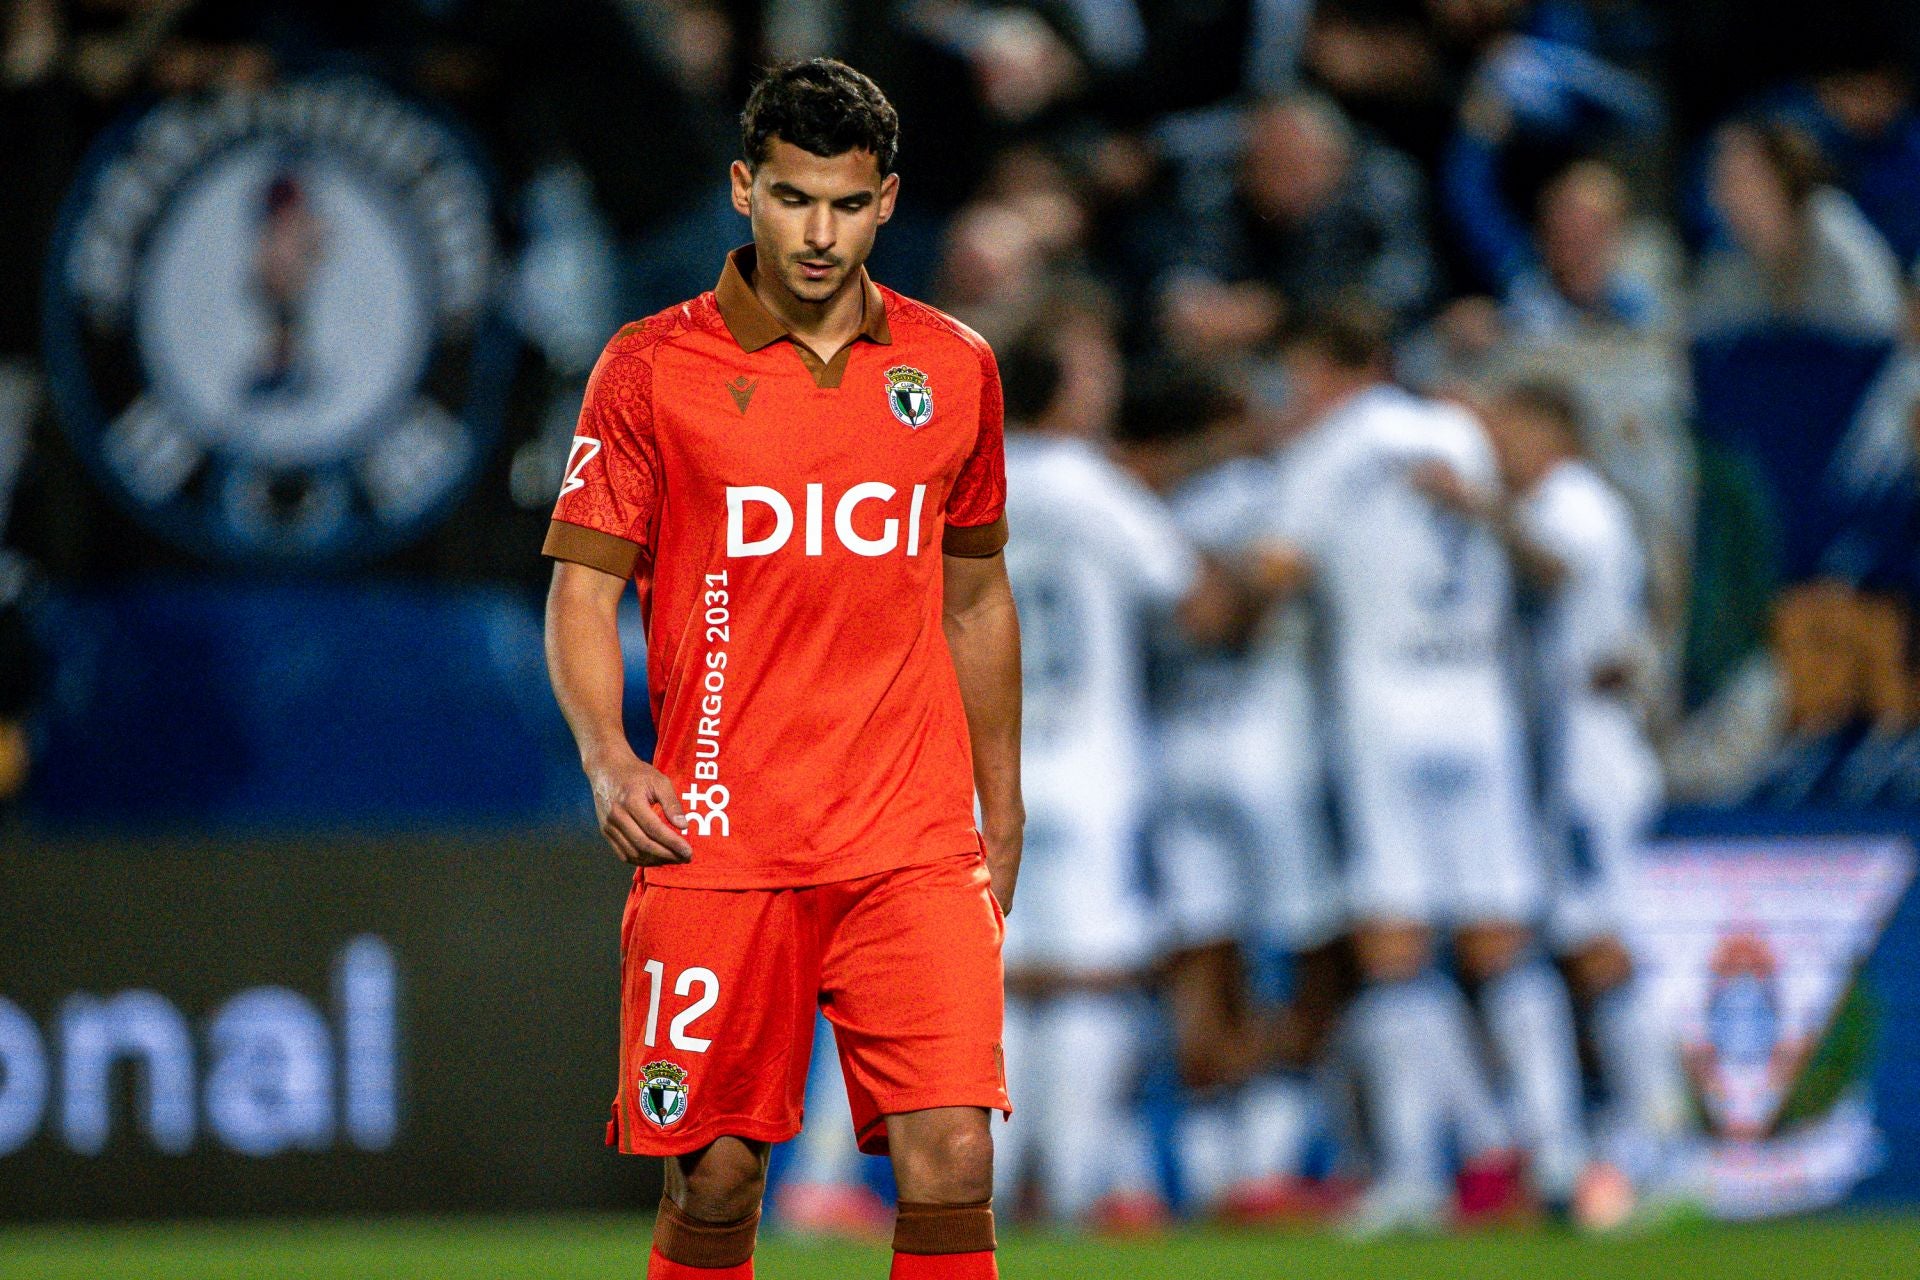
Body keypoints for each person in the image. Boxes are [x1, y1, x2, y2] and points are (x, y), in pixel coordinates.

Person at [541, 60, 1022, 1280]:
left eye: (848, 204)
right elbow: (583, 589)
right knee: (716, 1173)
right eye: (794, 198)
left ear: (888, 202)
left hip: (909, 835)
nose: (819, 233)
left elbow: (975, 593)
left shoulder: (953, 365)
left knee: (954, 1154)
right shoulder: (651, 366)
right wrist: (609, 755)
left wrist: (1003, 804)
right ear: (743, 187)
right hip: (718, 834)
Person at [1248, 309, 1589, 1230]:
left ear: (1338, 368)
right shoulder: (1459, 430)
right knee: (1498, 937)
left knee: (1393, 943)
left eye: (1301, 375)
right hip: (1478, 701)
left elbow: (1274, 571)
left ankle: (1414, 1173)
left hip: (1384, 708)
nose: (1295, 395)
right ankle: (1558, 1155)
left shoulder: (1332, 447)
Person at [993, 338, 1220, 1232]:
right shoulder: (1094, 487)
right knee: (1091, 975)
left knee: (1001, 979)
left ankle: (995, 1189)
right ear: (1062, 395)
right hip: (1093, 766)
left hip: (985, 768)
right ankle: (1078, 1184)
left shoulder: (955, 483)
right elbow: (1193, 597)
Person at [1476, 382, 1694, 1222]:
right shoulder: (1568, 504)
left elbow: (1557, 566)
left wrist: (1481, 510)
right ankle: (1603, 1137)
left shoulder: (1575, 503)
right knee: (1573, 944)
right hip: (1569, 755)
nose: (1498, 449)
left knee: (1599, 945)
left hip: (1588, 764)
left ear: (1554, 434)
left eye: (1510, 430)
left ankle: (1667, 1142)